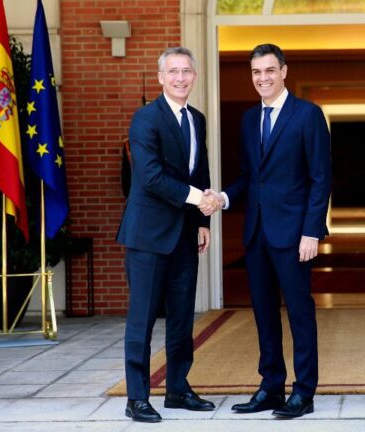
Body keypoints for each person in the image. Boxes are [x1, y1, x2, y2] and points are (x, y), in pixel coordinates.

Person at [202, 43, 331, 419]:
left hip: (294, 235)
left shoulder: (308, 115)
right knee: (263, 313)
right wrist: (223, 198)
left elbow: (321, 178)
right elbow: (249, 178)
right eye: (256, 72)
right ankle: (271, 386)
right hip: (256, 234)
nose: (263, 78)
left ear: (284, 71)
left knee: (300, 313)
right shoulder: (247, 120)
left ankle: (303, 393)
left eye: (270, 70)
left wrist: (312, 231)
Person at [116, 46, 220, 423]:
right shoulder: (146, 119)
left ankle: (177, 388)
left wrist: (203, 221)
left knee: (181, 317)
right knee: (141, 319)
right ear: (161, 77)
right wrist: (200, 199)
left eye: (186, 71)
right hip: (147, 236)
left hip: (185, 234)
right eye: (173, 71)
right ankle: (137, 398)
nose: (180, 78)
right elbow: (151, 176)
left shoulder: (198, 119)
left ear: (194, 76)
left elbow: (200, 170)